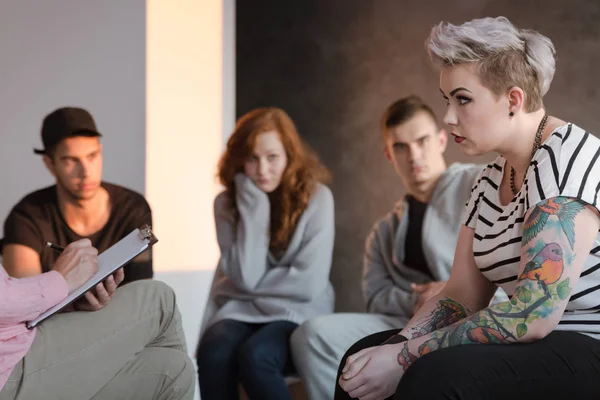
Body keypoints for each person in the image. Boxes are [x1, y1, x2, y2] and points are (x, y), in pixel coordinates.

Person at [336, 16, 600, 400]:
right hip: (536, 342)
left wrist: (404, 358)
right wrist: (395, 345)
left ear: (513, 99)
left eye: (463, 99)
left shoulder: (569, 159)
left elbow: (533, 315)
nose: (448, 117)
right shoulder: (489, 178)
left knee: (431, 376)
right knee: (360, 360)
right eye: (447, 100)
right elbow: (461, 294)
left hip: (589, 343)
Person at [291, 95, 493, 399]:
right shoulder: (385, 230)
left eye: (422, 140)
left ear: (441, 140)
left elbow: (508, 268)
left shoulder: (480, 184)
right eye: (401, 146)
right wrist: (417, 300)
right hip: (406, 319)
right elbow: (375, 297)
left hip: (471, 313)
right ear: (389, 154)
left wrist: (449, 292)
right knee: (312, 335)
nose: (414, 155)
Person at [196, 107, 335, 400]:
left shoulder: (318, 198)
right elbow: (246, 275)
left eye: (272, 157)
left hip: (297, 311)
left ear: (289, 155)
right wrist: (255, 209)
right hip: (239, 309)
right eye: (252, 158)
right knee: (213, 350)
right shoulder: (226, 203)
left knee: (257, 356)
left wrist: (249, 289)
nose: (262, 170)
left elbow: (308, 283)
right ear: (239, 160)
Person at [0, 239, 194, 400]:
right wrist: (60, 280)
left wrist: (64, 304)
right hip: (9, 367)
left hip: (14, 350)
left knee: (174, 371)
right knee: (159, 299)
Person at [1, 106, 153, 311]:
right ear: (49, 163)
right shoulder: (26, 216)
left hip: (119, 322)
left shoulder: (132, 207)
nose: (86, 172)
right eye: (71, 160)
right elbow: (26, 306)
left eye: (92, 156)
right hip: (50, 332)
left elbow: (141, 293)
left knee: (161, 297)